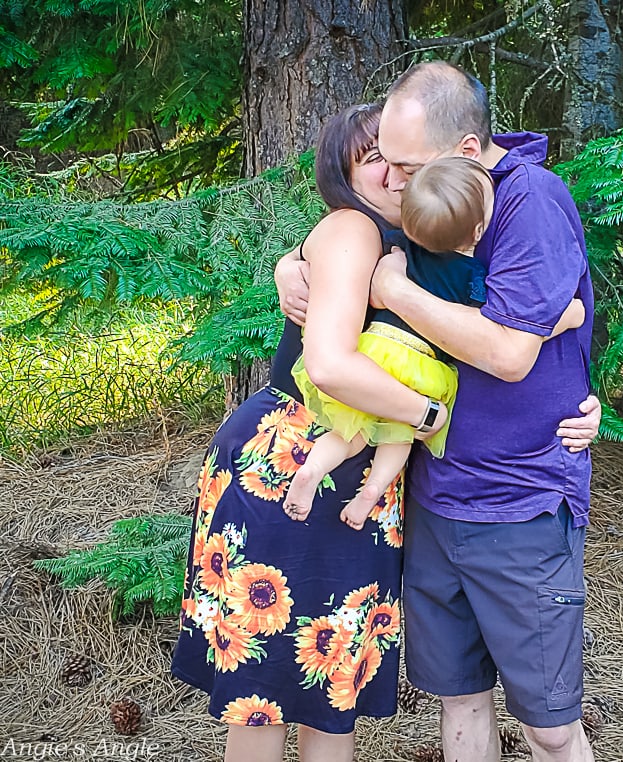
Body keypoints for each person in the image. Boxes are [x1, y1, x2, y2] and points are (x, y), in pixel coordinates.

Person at [275, 62, 601, 762]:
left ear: (462, 152)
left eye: (404, 164)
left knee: (548, 724)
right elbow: (343, 259)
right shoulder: (424, 215)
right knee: (459, 704)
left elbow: (511, 353)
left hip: (518, 503)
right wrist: (293, 261)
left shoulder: (528, 203)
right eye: (381, 163)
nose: (392, 180)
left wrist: (396, 292)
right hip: (436, 498)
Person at [171, 103, 450, 762]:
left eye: (396, 150)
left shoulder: (414, 236)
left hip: (355, 481)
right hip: (291, 461)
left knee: (332, 690)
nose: (392, 168)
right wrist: (428, 416)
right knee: (264, 693)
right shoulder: (355, 227)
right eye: (371, 156)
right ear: (343, 175)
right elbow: (328, 363)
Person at [284, 156, 586, 531]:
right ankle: (369, 494)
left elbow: (376, 280)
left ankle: (313, 468)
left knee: (351, 433)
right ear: (477, 232)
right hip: (420, 366)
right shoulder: (472, 279)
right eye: (378, 161)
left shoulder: (400, 251)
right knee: (400, 436)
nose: (395, 176)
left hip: (375, 350)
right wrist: (569, 317)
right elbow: (504, 332)